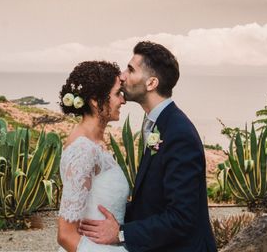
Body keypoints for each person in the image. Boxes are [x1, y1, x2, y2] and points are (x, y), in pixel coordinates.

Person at [79, 41, 217, 252]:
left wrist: (121, 233)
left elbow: (181, 217)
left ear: (151, 83)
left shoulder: (179, 134)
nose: (122, 76)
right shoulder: (157, 123)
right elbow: (153, 201)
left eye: (131, 70)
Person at [57, 60, 129, 252]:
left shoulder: (96, 144)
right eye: (117, 94)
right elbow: (66, 235)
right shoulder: (83, 149)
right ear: (96, 101)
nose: (123, 100)